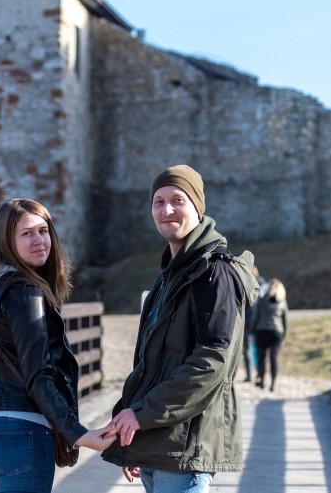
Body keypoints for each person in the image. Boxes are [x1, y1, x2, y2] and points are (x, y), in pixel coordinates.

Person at [101, 165, 259, 493]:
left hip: (186, 450)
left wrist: (142, 415)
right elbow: (149, 367)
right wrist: (137, 437)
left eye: (178, 200)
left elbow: (212, 362)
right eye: (158, 202)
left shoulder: (215, 274)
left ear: (198, 209)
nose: (166, 209)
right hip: (158, 444)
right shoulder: (166, 280)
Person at [0, 198, 116, 492]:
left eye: (43, 231)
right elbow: (38, 376)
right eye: (26, 233)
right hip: (22, 436)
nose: (39, 241)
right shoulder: (24, 291)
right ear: (6, 241)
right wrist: (79, 434)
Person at [249, 278, 288, 392]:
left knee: (262, 357)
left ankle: (262, 381)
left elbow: (256, 317)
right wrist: (284, 335)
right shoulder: (282, 302)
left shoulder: (262, 301)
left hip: (262, 331)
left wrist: (251, 329)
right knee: (273, 358)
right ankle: (273, 383)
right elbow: (285, 320)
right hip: (277, 332)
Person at [242, 265, 269, 382]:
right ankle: (260, 374)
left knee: (247, 348)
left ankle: (249, 375)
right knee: (259, 348)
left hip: (247, 320)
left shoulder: (244, 282)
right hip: (259, 321)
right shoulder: (263, 284)